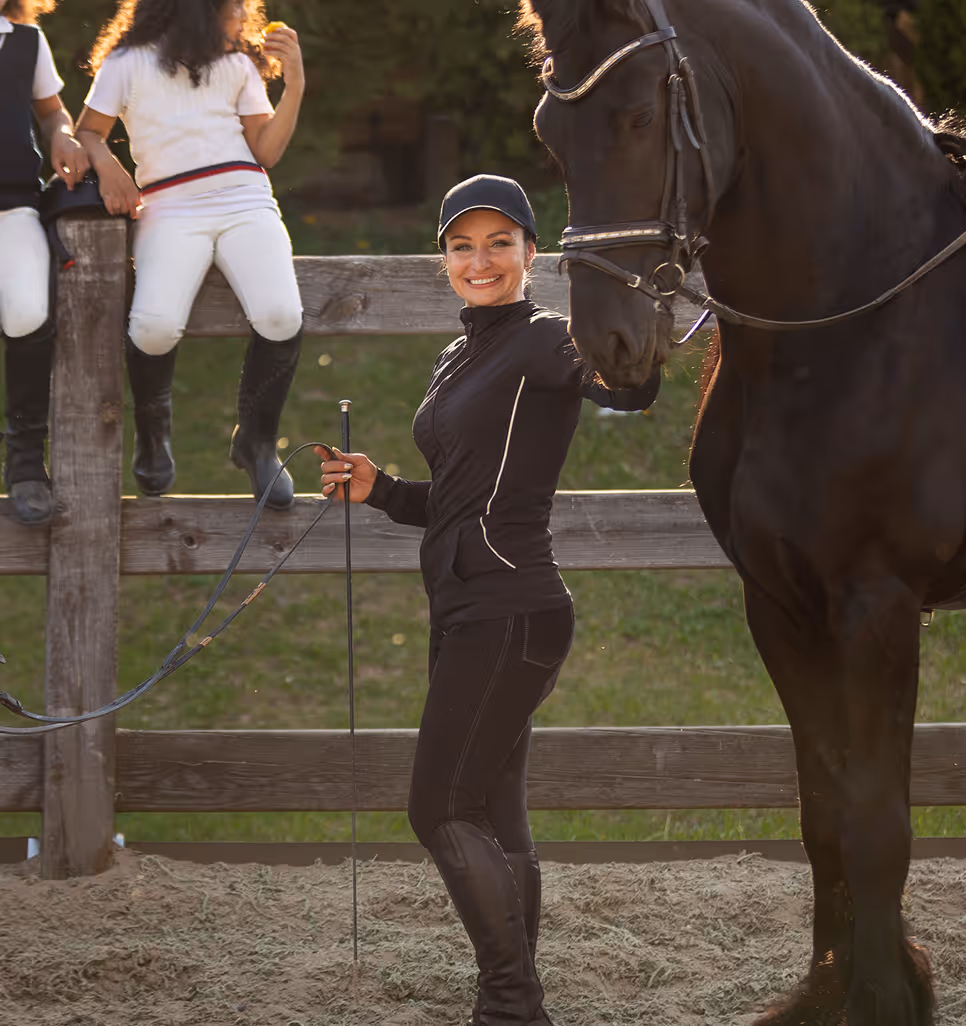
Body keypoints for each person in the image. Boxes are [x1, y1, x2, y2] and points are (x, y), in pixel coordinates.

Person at [316, 174, 661, 1026]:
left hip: (511, 613)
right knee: (496, 814)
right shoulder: (462, 352)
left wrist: (635, 344)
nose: (481, 260)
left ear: (530, 254)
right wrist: (383, 490)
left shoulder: (547, 337)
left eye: (499, 243)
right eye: (463, 245)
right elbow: (462, 498)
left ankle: (512, 1003)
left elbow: (627, 387)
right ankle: (513, 992)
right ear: (444, 259)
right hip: (470, 609)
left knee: (436, 808)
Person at [75, 0, 306, 507]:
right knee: (153, 328)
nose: (243, 14)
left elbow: (264, 151)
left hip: (246, 198)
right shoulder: (126, 61)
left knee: (281, 314)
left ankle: (257, 442)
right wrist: (107, 165)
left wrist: (294, 85)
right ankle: (153, 435)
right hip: (168, 206)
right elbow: (87, 129)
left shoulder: (238, 63)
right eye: (234, 6)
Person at [0, 0, 89, 526]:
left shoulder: (27, 40)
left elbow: (51, 107)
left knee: (29, 313)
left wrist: (61, 131)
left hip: (13, 204)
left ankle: (26, 461)